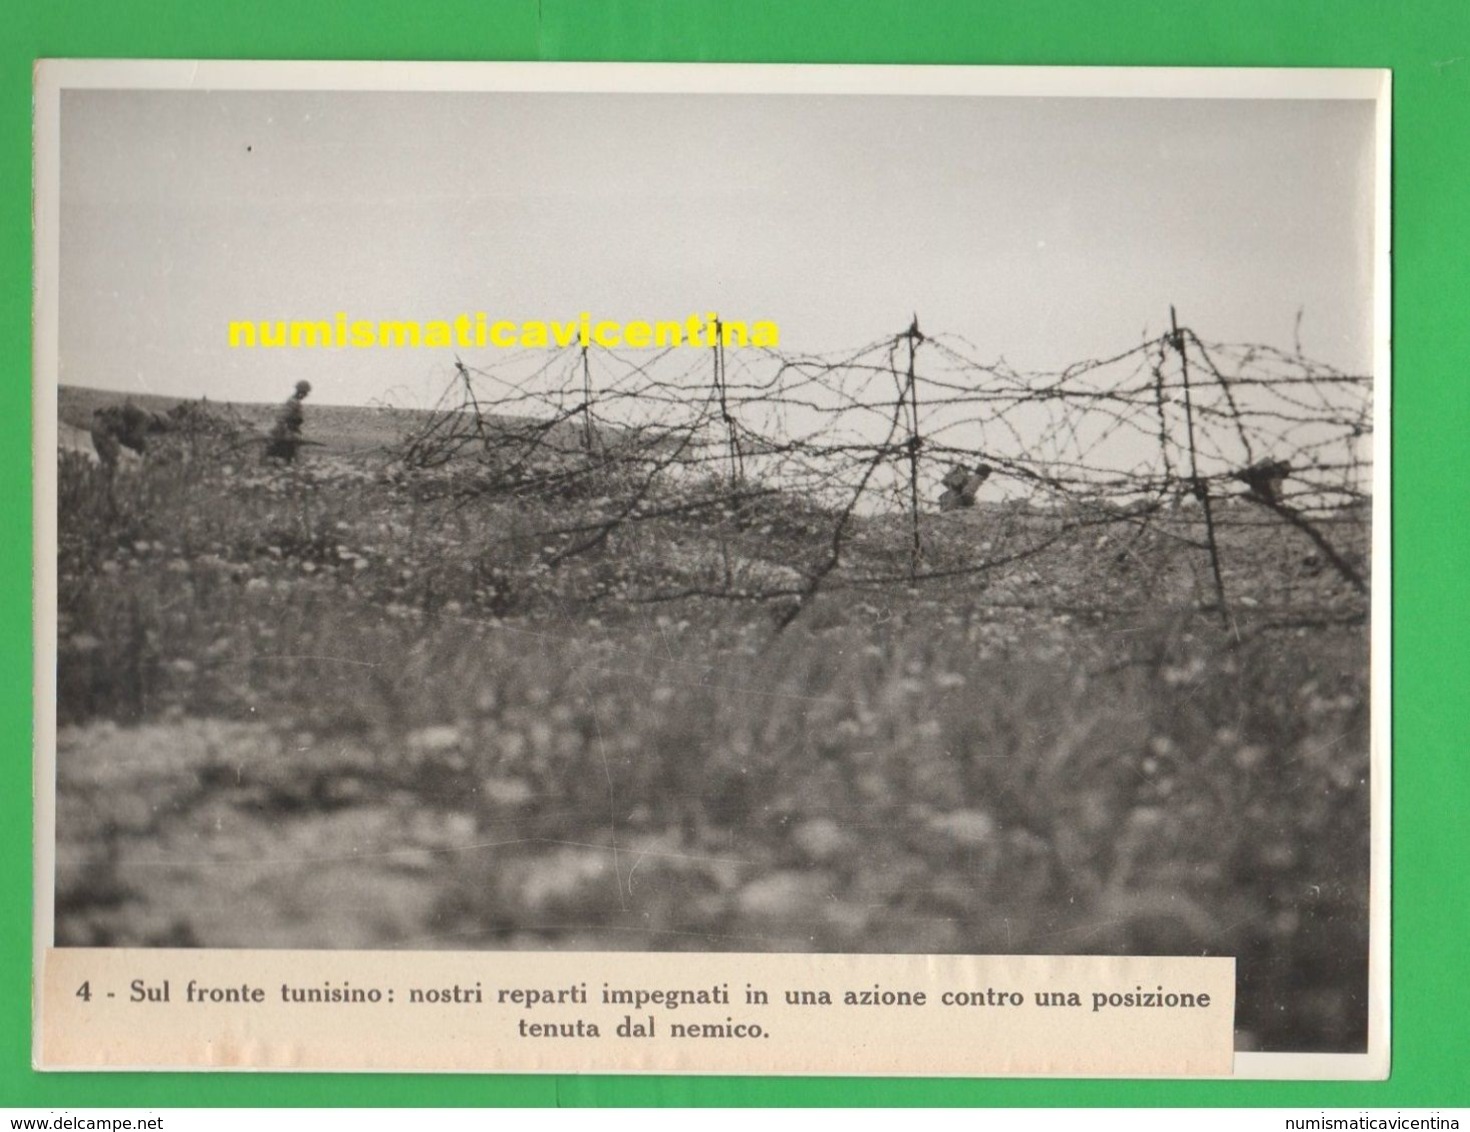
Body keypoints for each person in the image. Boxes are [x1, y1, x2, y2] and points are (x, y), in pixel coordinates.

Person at [265, 380, 312, 462]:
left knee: (291, 449)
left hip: (292, 429)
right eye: (305, 392)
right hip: (289, 430)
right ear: (301, 392)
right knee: (293, 447)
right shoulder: (292, 402)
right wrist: (286, 430)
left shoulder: (295, 401)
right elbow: (282, 417)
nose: (306, 395)